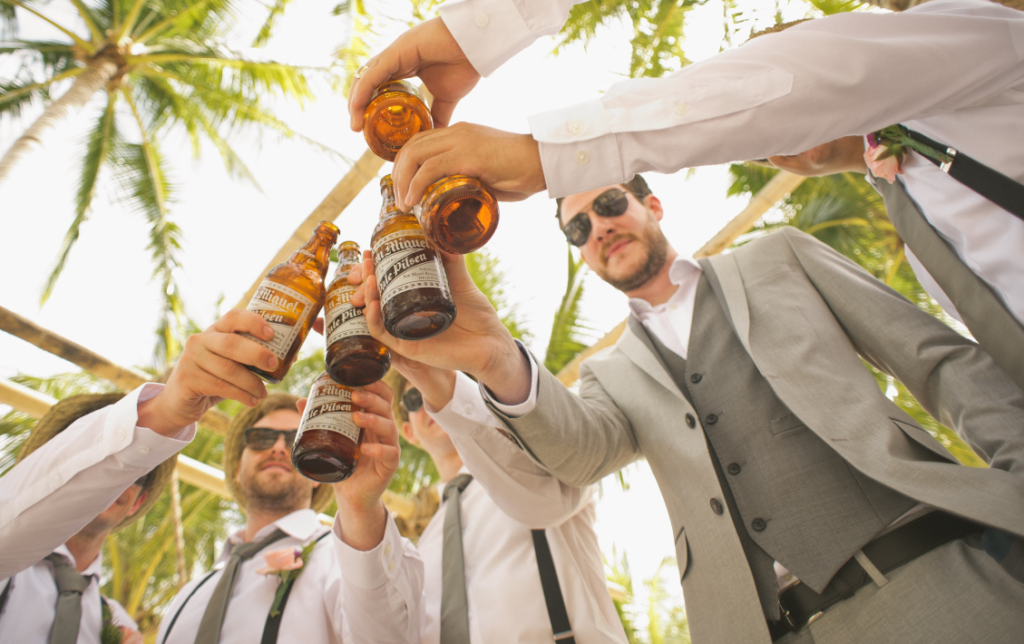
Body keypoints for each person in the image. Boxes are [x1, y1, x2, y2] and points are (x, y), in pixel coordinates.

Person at [348, 175, 1024, 643]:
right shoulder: (611, 374)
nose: (599, 228)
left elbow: (936, 361)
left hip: (934, 579)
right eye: (578, 227)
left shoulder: (778, 257)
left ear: (653, 203)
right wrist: (494, 354)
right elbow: (577, 456)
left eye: (609, 203)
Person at [348, 0, 1024, 386]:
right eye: (578, 227)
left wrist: (544, 152)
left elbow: (806, 79)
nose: (775, 141)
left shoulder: (977, 37)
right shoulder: (910, 198)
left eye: (607, 204)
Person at [334, 364, 627, 644]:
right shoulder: (421, 545)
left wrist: (448, 392)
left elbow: (552, 494)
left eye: (433, 378)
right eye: (413, 397)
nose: (426, 395)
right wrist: (357, 508)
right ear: (409, 433)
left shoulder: (539, 469)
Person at [156, 382, 421, 644]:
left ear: (316, 475)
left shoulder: (344, 559)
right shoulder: (188, 596)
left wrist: (360, 508)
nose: (278, 448)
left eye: (295, 440)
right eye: (262, 439)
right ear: (236, 468)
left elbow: (387, 635)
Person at [0, 393, 177, 644]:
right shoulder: (7, 567)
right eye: (99, 460)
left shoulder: (119, 623)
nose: (111, 479)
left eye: (134, 471)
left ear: (137, 503)